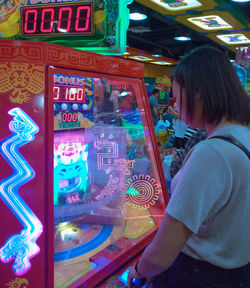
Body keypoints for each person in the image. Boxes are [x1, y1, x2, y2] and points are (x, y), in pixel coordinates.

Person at [128, 46, 250, 288]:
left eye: (176, 95)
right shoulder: (243, 135)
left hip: (201, 275)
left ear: (197, 92)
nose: (175, 104)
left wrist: (137, 271)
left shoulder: (212, 152)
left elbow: (162, 255)